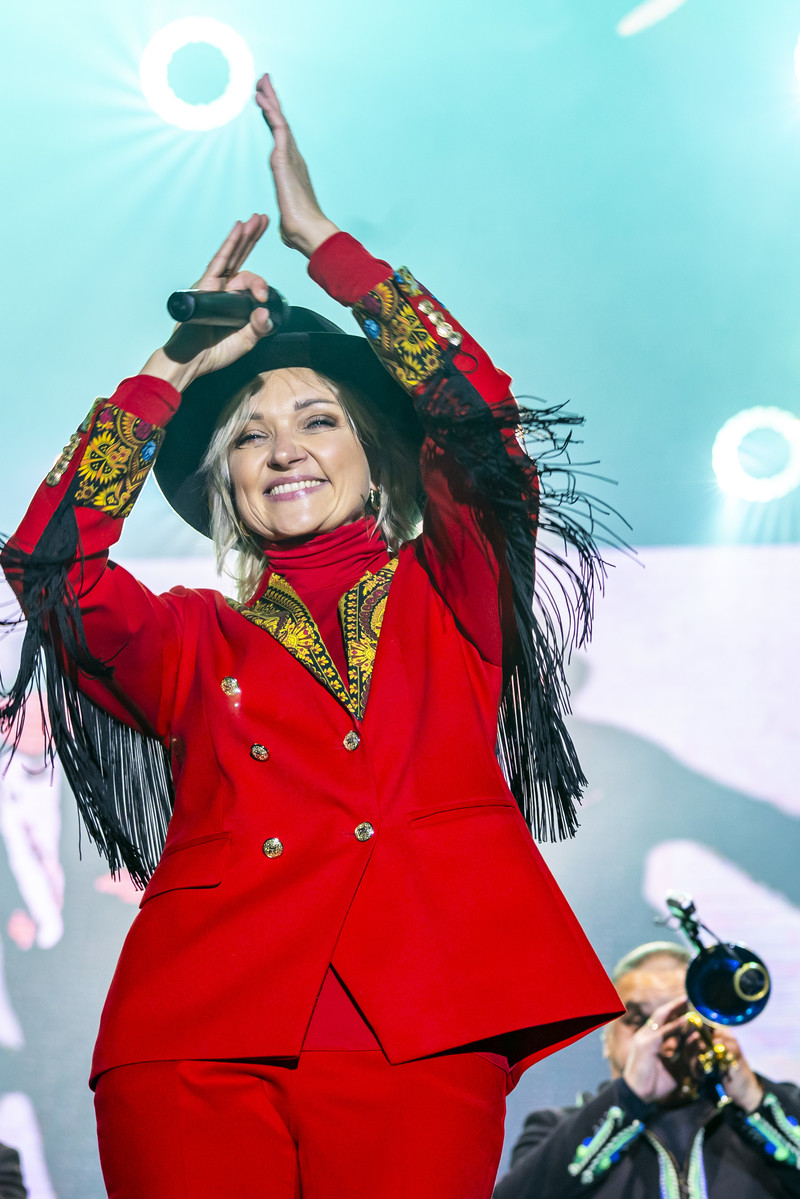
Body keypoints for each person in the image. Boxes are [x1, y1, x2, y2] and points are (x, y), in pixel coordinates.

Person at [0, 75, 622, 1198]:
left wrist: (326, 246)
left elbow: (480, 422)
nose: (284, 447)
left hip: (423, 1019)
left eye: (318, 418)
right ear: (227, 487)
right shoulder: (190, 641)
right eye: (250, 435)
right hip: (192, 1033)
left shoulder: (454, 589)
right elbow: (49, 565)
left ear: (377, 459)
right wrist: (170, 367)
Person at [495, 941, 800, 1198]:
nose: (657, 1038)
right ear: (606, 1040)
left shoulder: (767, 1108)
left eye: (680, 1018)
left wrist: (754, 1100)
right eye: (638, 1021)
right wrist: (628, 1099)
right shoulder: (553, 1127)